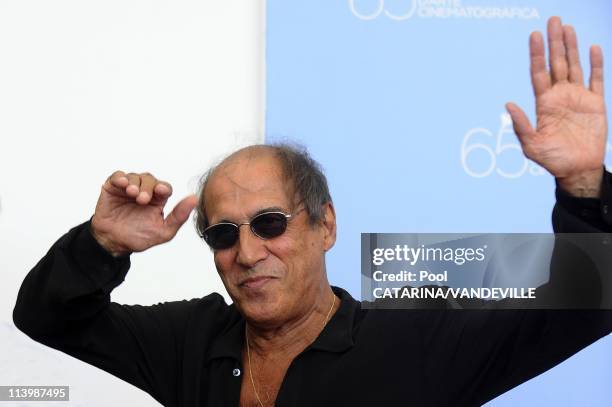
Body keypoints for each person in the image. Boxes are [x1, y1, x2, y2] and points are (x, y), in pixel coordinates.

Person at [13, 16, 612, 407]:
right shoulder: (191, 340)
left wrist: (584, 183)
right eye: (225, 234)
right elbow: (46, 317)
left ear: (326, 225)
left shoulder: (416, 340)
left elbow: (589, 304)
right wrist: (102, 244)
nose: (247, 253)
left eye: (270, 224)